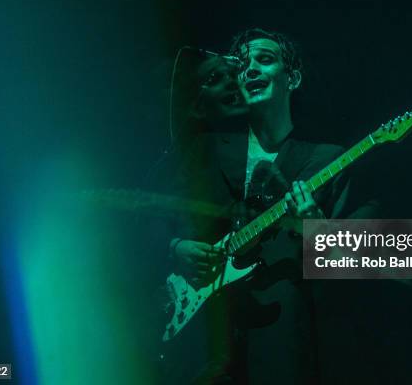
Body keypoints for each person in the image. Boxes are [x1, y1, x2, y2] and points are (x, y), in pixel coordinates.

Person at [162, 28, 378, 384]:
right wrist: (176, 247)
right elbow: (152, 223)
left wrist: (315, 224)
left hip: (280, 339)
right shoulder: (206, 150)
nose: (250, 70)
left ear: (292, 78)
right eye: (243, 65)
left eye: (265, 60)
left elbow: (357, 266)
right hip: (204, 339)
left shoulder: (326, 160)